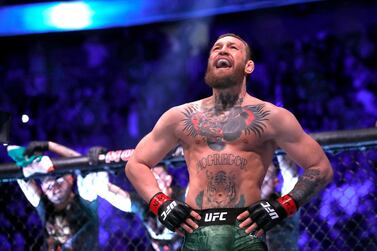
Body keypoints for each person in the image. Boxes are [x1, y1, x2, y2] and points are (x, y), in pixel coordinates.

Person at [125, 33, 333, 250]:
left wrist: (283, 207)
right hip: (196, 232)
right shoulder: (180, 116)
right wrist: (162, 205)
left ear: (248, 66)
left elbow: (321, 168)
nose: (222, 50)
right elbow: (136, 164)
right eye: (216, 48)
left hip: (245, 232)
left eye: (232, 47)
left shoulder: (272, 117)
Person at [8, 141, 132, 251]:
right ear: (43, 189)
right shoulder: (45, 206)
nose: (54, 188)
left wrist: (50, 145)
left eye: (59, 181)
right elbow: (22, 173)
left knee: (88, 179)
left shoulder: (84, 201)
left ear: (70, 178)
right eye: (49, 186)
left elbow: (85, 167)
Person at [262, 154, 300, 251]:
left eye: (265, 178)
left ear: (275, 182)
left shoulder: (283, 205)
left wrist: (280, 144)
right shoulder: (241, 205)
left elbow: (292, 179)